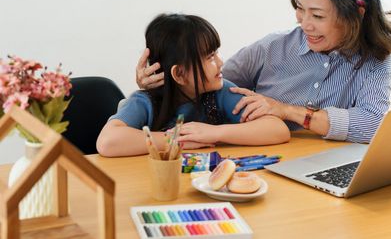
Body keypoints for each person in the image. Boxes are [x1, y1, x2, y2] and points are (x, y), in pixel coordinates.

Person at [136, 0, 391, 143]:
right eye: (300, 9)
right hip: (264, 164)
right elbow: (204, 84)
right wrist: (162, 85)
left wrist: (286, 110)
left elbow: (372, 125)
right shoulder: (271, 48)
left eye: (318, 15)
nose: (304, 23)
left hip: (327, 166)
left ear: (356, 15)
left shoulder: (375, 61)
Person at [97, 13, 290, 157]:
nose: (221, 62)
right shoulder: (146, 102)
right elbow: (107, 142)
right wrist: (176, 140)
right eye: (209, 57)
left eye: (216, 53)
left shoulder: (220, 93)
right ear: (179, 74)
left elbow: (277, 129)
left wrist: (213, 133)